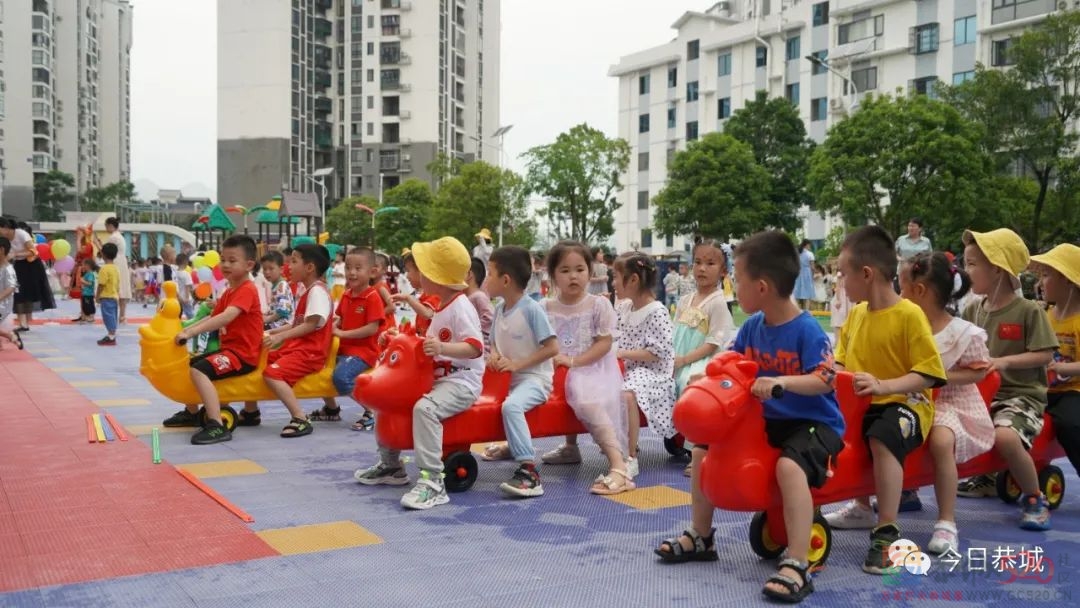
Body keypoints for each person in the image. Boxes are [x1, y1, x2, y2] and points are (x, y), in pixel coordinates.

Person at [655, 230, 844, 603]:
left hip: (812, 422)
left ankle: (799, 561)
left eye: (736, 279)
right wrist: (709, 373)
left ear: (761, 287)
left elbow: (825, 378)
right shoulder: (754, 327)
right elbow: (731, 361)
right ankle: (701, 535)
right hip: (766, 419)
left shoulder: (806, 329)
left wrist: (781, 383)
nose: (732, 286)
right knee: (702, 449)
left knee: (790, 468)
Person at [824, 226, 947, 574]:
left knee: (881, 434)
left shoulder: (909, 315)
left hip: (907, 404)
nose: (840, 281)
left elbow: (928, 373)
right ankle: (860, 506)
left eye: (843, 274)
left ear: (866, 274)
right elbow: (841, 364)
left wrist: (882, 385)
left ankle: (887, 531)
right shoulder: (856, 315)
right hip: (865, 402)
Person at [355, 237, 485, 510]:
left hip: (461, 382)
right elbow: (426, 345)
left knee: (425, 409)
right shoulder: (441, 305)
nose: (416, 277)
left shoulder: (461, 308)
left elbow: (475, 348)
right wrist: (398, 337)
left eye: (422, 271)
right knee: (388, 400)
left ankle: (433, 481)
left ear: (436, 277)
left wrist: (442, 347)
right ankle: (391, 466)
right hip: (439, 378)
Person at [955, 229, 1056, 531]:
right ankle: (981, 479)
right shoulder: (973, 309)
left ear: (997, 270)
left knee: (1006, 437)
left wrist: (1004, 361)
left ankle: (1035, 497)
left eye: (972, 264)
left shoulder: (1027, 311)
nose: (966, 270)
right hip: (979, 392)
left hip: (1019, 395)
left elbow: (1045, 355)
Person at [899, 252, 995, 554]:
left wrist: (938, 378)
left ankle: (946, 521)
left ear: (920, 291)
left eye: (902, 287)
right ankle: (872, 500)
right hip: (914, 396)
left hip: (952, 402)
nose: (899, 294)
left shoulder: (961, 333)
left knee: (941, 440)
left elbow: (979, 372)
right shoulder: (905, 325)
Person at [540, 241, 633, 494]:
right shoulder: (545, 307)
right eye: (565, 270)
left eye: (580, 269)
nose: (573, 276)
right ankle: (570, 447)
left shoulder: (598, 304)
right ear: (552, 275)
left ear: (590, 273)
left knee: (585, 396)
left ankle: (618, 466)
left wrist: (574, 361)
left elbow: (604, 344)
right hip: (557, 367)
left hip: (592, 367)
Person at [478, 245, 559, 497]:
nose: (485, 279)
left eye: (489, 273)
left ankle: (529, 472)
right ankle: (510, 447)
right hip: (508, 380)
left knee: (511, 407)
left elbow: (552, 347)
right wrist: (494, 357)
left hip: (535, 380)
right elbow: (492, 345)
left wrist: (516, 365)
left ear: (505, 280)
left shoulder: (531, 309)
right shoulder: (500, 310)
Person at [169, 236, 263, 444]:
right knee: (189, 364)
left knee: (199, 370)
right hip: (230, 351)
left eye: (232, 260)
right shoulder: (230, 291)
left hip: (242, 355)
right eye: (223, 260)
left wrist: (190, 333)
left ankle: (216, 425)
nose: (226, 265)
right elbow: (211, 316)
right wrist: (183, 328)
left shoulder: (247, 289)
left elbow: (226, 317)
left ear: (249, 265)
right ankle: (192, 411)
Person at [672, 239, 736, 477]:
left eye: (710, 263)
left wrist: (685, 360)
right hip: (679, 357)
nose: (702, 268)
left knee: (690, 383)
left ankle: (699, 448)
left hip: (702, 361)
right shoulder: (685, 300)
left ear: (723, 271)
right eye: (698, 262)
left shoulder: (718, 303)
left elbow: (713, 343)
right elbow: (675, 332)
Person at [262, 244, 335, 438]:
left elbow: (310, 325)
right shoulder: (307, 291)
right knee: (262, 358)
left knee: (271, 374)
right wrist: (269, 333)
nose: (288, 266)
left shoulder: (317, 292)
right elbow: (295, 323)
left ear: (309, 267)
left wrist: (279, 337)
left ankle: (300, 418)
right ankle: (250, 410)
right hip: (300, 349)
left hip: (310, 353)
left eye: (294, 261)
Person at [613, 252, 676, 480]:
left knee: (628, 394)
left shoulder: (657, 312)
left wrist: (621, 353)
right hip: (629, 368)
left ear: (633, 280)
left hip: (652, 373)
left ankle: (630, 457)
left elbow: (658, 353)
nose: (612, 282)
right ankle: (612, 443)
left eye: (616, 277)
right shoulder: (624, 307)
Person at [309, 247, 385, 425]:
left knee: (341, 377)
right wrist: (329, 328)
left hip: (363, 353)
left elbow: (372, 329)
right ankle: (331, 408)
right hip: (343, 349)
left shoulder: (372, 297)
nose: (352, 273)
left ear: (372, 271)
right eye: (348, 268)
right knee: (316, 366)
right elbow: (340, 319)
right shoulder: (347, 295)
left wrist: (342, 333)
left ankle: (372, 410)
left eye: (358, 268)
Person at [1031, 244, 1080, 480]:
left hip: (1074, 390)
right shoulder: (1046, 316)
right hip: (1045, 389)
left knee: (1070, 424)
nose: (1041, 282)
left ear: (1069, 281)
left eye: (1047, 275)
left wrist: (1064, 368)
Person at [0, 219, 54, 331]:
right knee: (18, 293)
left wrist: (15, 254)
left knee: (26, 292)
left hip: (31, 265)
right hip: (18, 265)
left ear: (5, 227)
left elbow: (34, 251)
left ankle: (25, 322)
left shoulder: (21, 234)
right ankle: (22, 323)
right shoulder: (4, 238)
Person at [391, 250, 438, 335]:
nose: (407, 276)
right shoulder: (426, 294)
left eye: (408, 271)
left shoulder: (434, 293)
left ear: (421, 271)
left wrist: (408, 298)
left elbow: (427, 313)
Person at [99, 217, 132, 322]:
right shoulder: (119, 236)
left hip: (116, 262)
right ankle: (122, 315)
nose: (106, 228)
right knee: (122, 288)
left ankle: (119, 315)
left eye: (106, 226)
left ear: (110, 226)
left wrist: (97, 243)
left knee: (117, 288)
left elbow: (107, 252)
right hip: (122, 262)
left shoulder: (113, 237)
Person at [96, 243, 122, 346]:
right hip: (114, 295)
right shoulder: (115, 268)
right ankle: (111, 334)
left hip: (106, 296)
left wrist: (97, 296)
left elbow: (101, 284)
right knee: (113, 316)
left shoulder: (104, 268)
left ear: (103, 254)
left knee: (108, 316)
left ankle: (111, 336)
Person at [260, 251, 294, 331]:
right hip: (276, 323)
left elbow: (283, 311)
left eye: (271, 268)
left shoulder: (281, 286)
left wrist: (267, 319)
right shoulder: (276, 285)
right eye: (264, 269)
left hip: (281, 324)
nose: (267, 272)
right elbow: (275, 306)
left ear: (281, 269)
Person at [466, 256, 494, 349]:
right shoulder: (466, 298)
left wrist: (471, 328)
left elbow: (490, 317)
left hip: (482, 349)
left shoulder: (479, 296)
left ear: (469, 275)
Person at [0, 237, 23, 350]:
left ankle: (11, 335)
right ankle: (9, 337)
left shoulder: (8, 269)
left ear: (2, 250)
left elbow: (11, 287)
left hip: (3, 303)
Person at [793, 240, 816, 310]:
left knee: (797, 293)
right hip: (807, 274)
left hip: (798, 273)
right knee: (807, 294)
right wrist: (812, 276)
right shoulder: (810, 254)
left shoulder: (797, 253)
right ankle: (807, 311)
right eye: (809, 245)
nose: (810, 247)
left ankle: (796, 310)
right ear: (807, 245)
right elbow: (812, 267)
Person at [174, 254, 195, 320]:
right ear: (186, 262)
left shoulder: (174, 273)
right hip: (185, 297)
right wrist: (187, 297)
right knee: (190, 315)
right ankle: (192, 326)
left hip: (177, 297)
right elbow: (187, 286)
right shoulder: (186, 274)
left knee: (177, 313)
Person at [78, 258, 98, 325]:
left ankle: (90, 317)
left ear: (88, 265)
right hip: (85, 293)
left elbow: (90, 283)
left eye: (83, 265)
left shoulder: (90, 274)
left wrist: (82, 281)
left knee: (88, 305)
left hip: (88, 294)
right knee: (85, 305)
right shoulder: (87, 273)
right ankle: (87, 316)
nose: (82, 266)